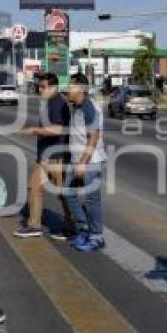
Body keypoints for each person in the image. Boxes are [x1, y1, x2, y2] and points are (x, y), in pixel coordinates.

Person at [15, 72, 74, 240]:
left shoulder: (57, 103)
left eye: (43, 87)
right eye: (38, 86)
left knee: (63, 193)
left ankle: (73, 225)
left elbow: (57, 129)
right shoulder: (49, 102)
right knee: (34, 187)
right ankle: (34, 225)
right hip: (46, 156)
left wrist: (34, 130)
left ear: (53, 87)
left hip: (56, 155)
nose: (40, 90)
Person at [62, 73, 107, 252]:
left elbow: (93, 136)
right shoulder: (76, 106)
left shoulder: (90, 108)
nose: (68, 90)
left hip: (91, 161)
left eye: (71, 87)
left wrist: (83, 162)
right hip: (77, 160)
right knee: (68, 193)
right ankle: (84, 228)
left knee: (91, 200)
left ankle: (97, 236)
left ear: (81, 89)